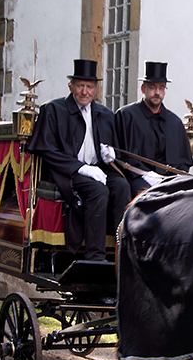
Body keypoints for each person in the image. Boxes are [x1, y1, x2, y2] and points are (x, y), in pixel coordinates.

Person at [28, 59, 130, 261]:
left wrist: (110, 156)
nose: (85, 91)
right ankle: (95, 257)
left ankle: (122, 256)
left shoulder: (105, 114)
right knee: (98, 191)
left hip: (99, 170)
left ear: (96, 89)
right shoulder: (54, 110)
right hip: (68, 174)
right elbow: (47, 151)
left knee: (122, 186)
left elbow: (112, 149)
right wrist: (80, 168)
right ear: (71, 87)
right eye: (80, 86)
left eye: (89, 87)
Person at [114, 61, 193, 197]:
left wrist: (176, 178)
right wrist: (147, 175)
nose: (157, 92)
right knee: (149, 197)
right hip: (137, 178)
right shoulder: (126, 115)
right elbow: (122, 157)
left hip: (170, 180)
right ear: (143, 89)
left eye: (161, 88)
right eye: (152, 87)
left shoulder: (174, 122)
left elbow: (183, 162)